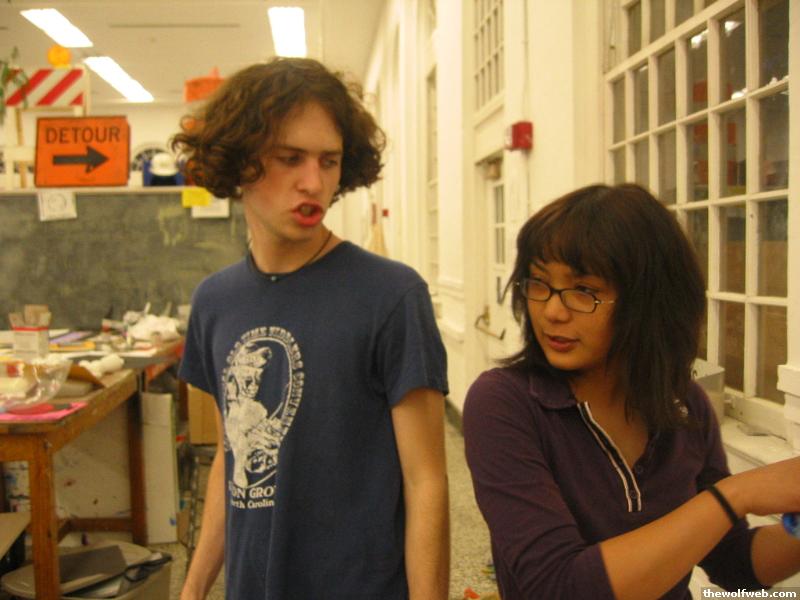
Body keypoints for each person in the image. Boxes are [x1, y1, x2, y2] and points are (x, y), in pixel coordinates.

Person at [172, 57, 450, 600]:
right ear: (240, 162)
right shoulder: (215, 301)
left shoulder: (390, 296)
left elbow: (427, 482)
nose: (313, 182)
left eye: (329, 161)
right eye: (290, 158)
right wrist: (194, 587)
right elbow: (231, 456)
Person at [463, 183, 800, 600]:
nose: (552, 311)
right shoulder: (505, 403)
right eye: (539, 283)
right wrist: (737, 494)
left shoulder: (684, 406)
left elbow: (734, 563)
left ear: (648, 301)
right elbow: (556, 586)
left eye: (584, 291)